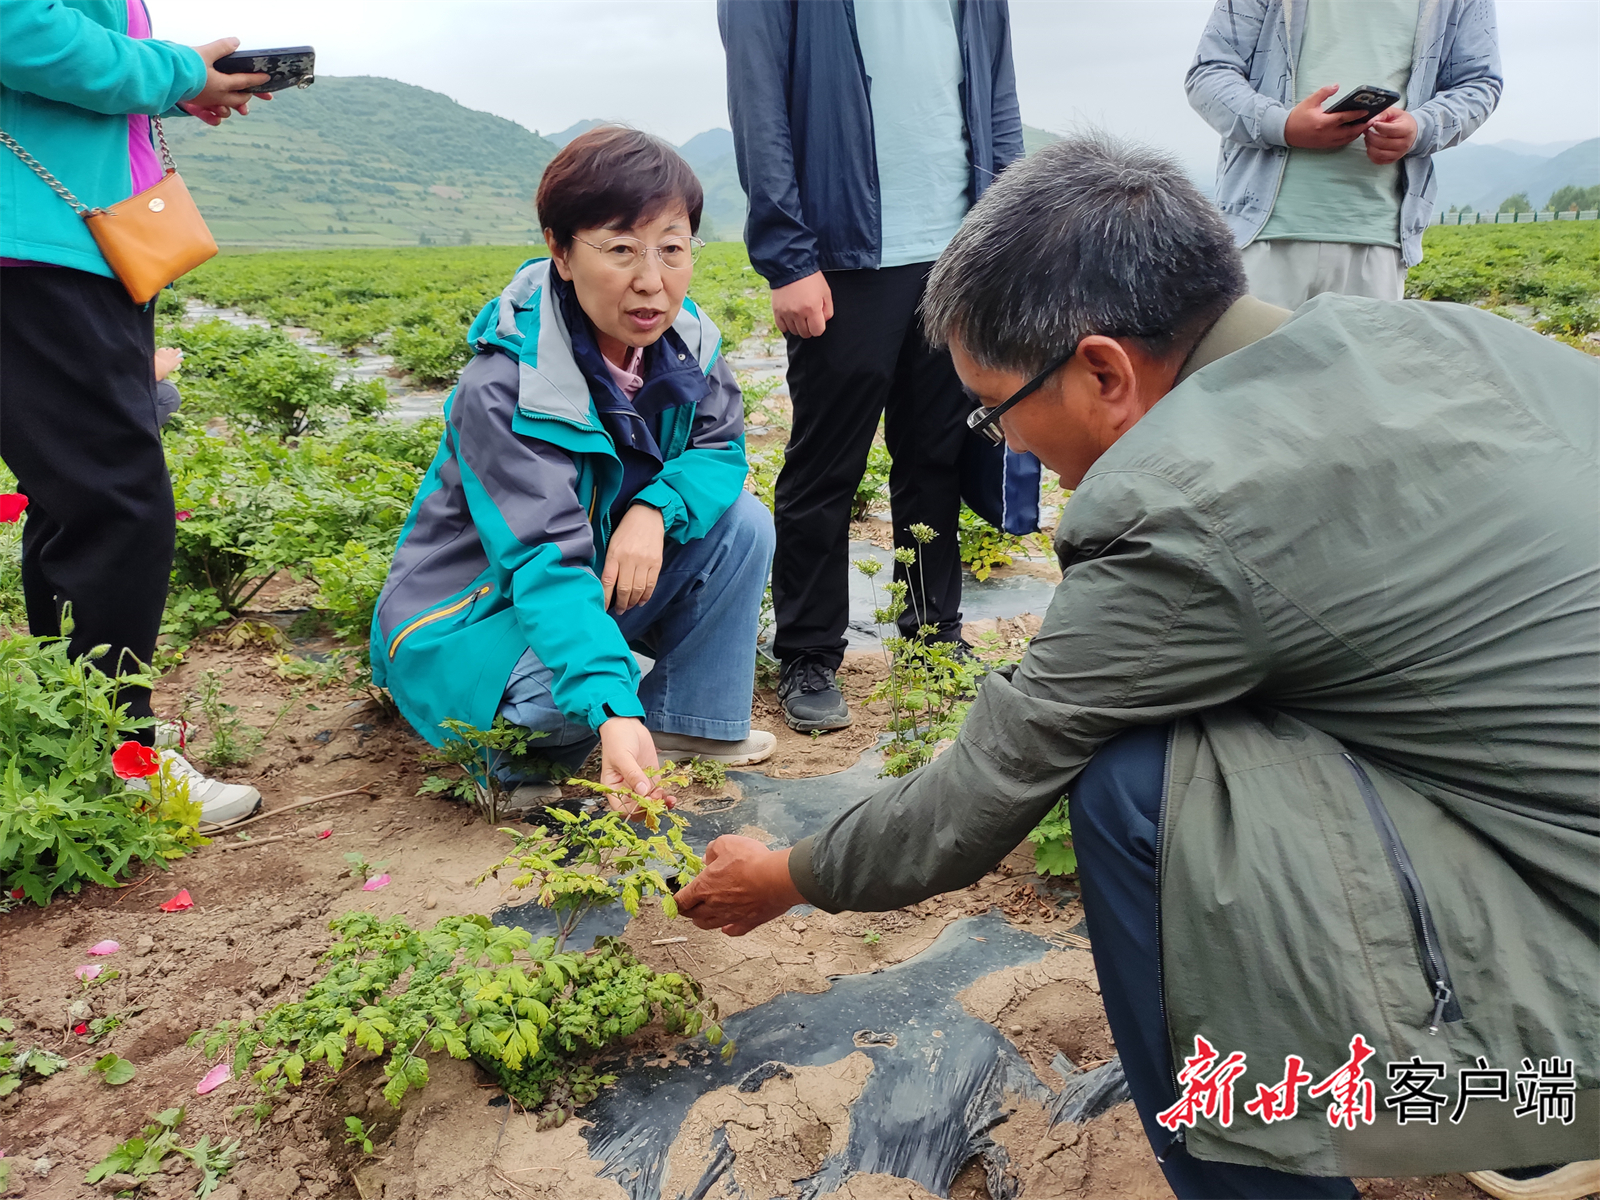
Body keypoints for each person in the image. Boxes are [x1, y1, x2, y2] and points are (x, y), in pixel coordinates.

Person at [675, 135, 1598, 1199]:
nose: (1008, 449)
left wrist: (785, 876)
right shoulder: (1432, 335)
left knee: (1137, 783)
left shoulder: (1185, 501)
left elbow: (984, 785)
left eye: (996, 411)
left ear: (1103, 371)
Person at [372, 128, 776, 806]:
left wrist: (654, 510)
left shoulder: (687, 346)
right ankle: (521, 763)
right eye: (620, 249)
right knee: (554, 708)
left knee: (741, 523)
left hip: (589, 574)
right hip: (478, 613)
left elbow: (719, 450)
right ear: (561, 251)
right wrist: (613, 706)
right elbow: (544, 561)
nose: (652, 280)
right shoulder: (504, 386)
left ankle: (688, 723)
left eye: (673, 249)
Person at [718, 0, 1032, 733]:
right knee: (827, 464)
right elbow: (758, 109)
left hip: (957, 253)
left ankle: (930, 638)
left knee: (937, 457)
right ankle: (808, 651)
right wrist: (788, 257)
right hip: (842, 259)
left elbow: (999, 103)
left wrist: (1006, 237)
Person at [1, 2, 271, 824]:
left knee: (76, 497)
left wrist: (169, 87)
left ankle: (87, 730)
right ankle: (125, 757)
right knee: (121, 499)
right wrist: (179, 71)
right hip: (35, 245)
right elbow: (20, 29)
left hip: (80, 239)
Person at [1186, 0, 1502, 308]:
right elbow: (1209, 73)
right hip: (1256, 235)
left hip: (1379, 236)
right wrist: (1282, 125)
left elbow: (1479, 83)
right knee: (1248, 361)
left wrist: (1420, 128)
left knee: (1361, 362)